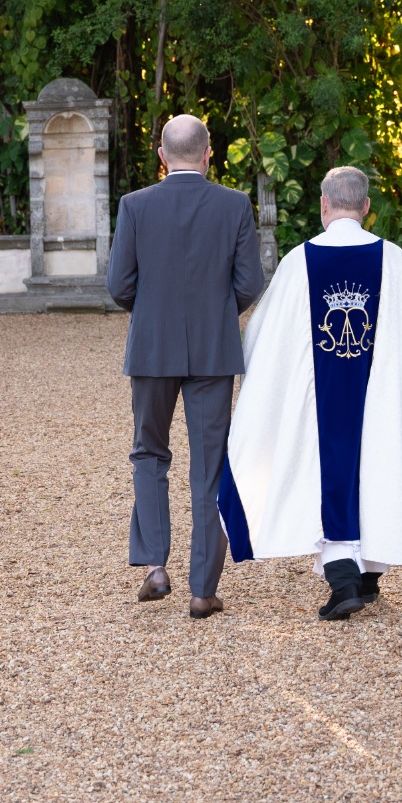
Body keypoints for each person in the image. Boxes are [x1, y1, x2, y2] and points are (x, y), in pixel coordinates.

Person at [218, 167, 402, 621]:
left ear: (324, 205)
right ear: (367, 207)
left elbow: (261, 337)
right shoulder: (393, 260)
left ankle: (346, 579)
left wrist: (265, 385)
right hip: (378, 400)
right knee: (376, 464)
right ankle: (365, 574)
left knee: (323, 467)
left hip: (318, 400)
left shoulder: (298, 262)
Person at [107, 114, 265, 620]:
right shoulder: (235, 205)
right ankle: (203, 590)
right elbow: (250, 283)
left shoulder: (135, 205)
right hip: (213, 351)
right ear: (208, 152)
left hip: (152, 348)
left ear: (161, 155)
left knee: (149, 452)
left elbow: (119, 286)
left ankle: (156, 566)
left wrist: (155, 313)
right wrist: (215, 314)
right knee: (209, 465)